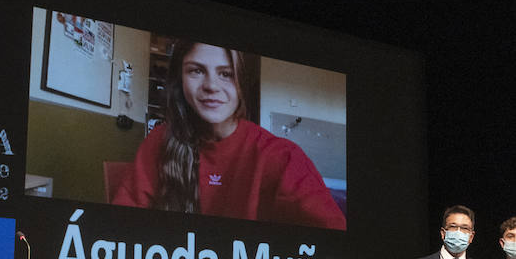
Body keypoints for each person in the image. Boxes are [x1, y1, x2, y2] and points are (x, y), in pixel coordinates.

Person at [111, 40, 346, 230]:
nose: (211, 85)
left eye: (226, 73)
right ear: (179, 79)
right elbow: (121, 227)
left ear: (242, 83)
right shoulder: (159, 140)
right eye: (196, 70)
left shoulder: (282, 157)